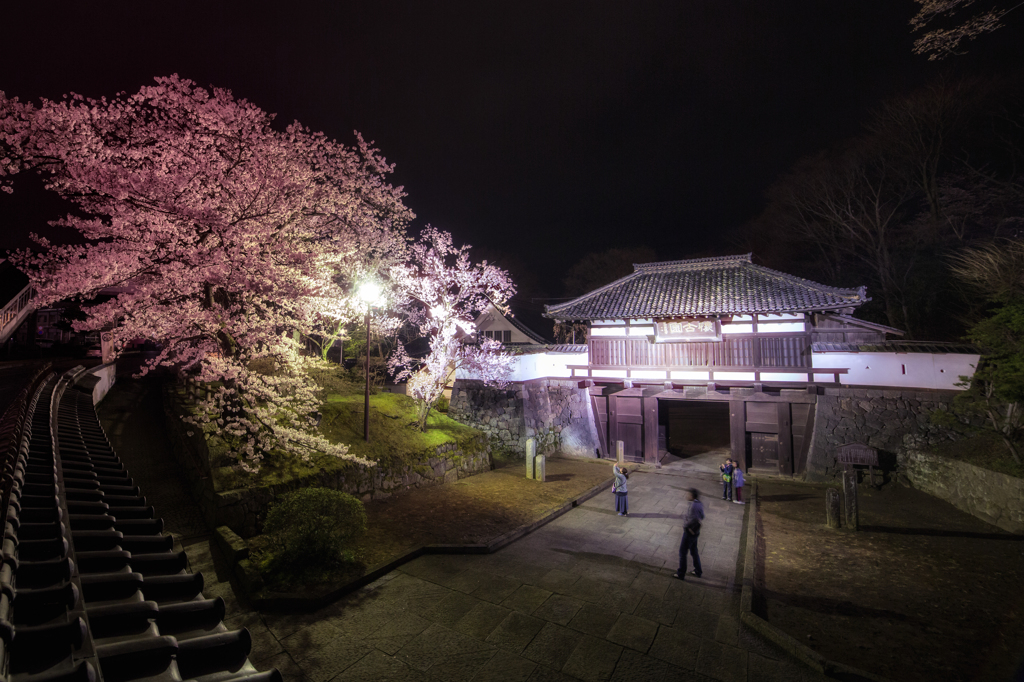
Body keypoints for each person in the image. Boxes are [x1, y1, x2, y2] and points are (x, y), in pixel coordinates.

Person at [675, 488, 704, 579]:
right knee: (694, 551)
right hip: (696, 532)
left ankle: (681, 573)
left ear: (692, 496)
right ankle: (698, 571)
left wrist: (686, 524)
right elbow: (702, 516)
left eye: (688, 494)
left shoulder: (693, 506)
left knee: (682, 552)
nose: (686, 496)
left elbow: (693, 519)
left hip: (689, 532)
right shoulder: (699, 504)